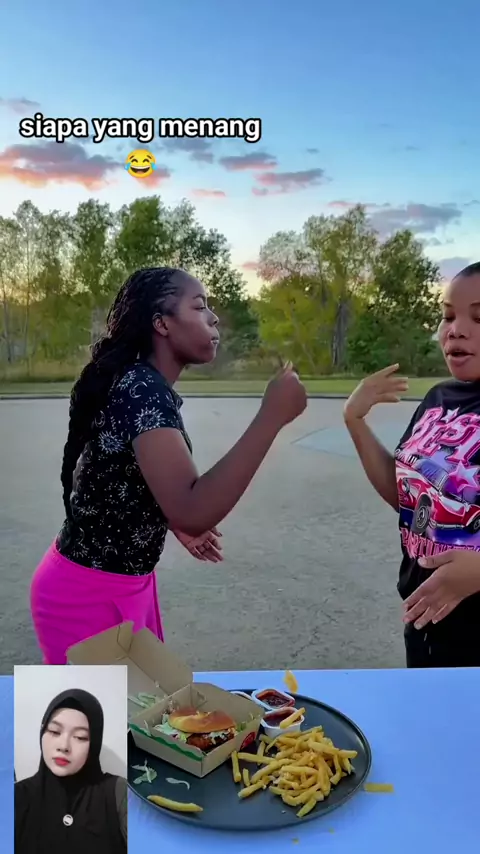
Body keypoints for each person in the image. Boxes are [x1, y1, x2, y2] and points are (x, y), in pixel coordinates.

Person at [31, 267, 307, 664]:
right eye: (199, 306)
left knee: (147, 702)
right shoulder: (142, 390)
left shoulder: (140, 383)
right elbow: (193, 510)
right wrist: (271, 416)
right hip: (86, 596)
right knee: (107, 709)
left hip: (121, 585)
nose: (213, 318)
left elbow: (109, 472)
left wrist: (165, 513)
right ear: (161, 324)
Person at [344, 261, 480, 667]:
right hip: (426, 622)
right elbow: (408, 500)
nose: (456, 329)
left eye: (479, 318)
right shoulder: (439, 399)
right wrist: (355, 421)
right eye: (448, 316)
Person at [15, 688, 127, 854]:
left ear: (94, 744)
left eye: (80, 737)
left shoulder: (118, 793)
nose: (64, 746)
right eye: (54, 731)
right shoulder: (15, 797)